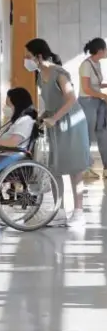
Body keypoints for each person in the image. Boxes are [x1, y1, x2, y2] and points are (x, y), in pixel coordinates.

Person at [24, 38, 90, 226]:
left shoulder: (59, 73)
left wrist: (54, 118)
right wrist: (44, 116)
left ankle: (79, 212)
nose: (25, 60)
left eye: (27, 56)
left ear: (38, 56)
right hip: (55, 123)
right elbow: (51, 102)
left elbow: (70, 99)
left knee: (74, 166)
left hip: (72, 122)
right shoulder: (39, 76)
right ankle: (59, 210)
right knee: (55, 167)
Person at [79, 38, 107, 180]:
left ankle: (105, 167)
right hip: (87, 102)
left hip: (97, 101)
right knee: (87, 135)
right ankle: (86, 168)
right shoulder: (86, 65)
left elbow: (95, 85)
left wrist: (104, 86)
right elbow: (86, 89)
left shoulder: (97, 64)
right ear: (100, 51)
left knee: (102, 133)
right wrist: (103, 95)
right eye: (105, 49)